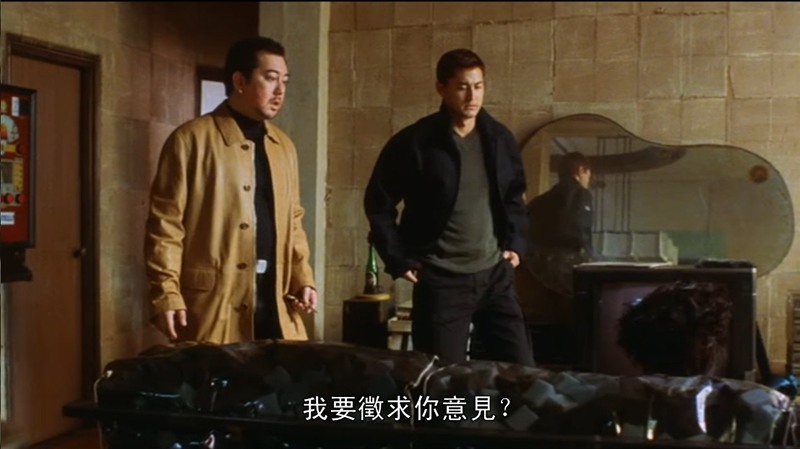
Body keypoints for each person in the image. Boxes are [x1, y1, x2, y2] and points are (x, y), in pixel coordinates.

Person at [363, 48, 534, 366]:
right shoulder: (415, 142)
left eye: (478, 86)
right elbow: (378, 202)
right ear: (441, 88)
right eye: (462, 87)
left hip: (495, 275)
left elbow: (514, 195)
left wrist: (516, 243)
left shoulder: (499, 138)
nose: (472, 96)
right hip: (441, 280)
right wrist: (398, 258)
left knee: (522, 372)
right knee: (441, 378)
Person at [144, 36, 317, 344]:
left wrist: (303, 278)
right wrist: (166, 293)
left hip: (276, 303)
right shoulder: (190, 140)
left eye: (285, 81)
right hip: (213, 304)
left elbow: (294, 221)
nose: (280, 90)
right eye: (271, 78)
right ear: (239, 81)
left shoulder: (284, 147)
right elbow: (165, 226)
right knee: (216, 374)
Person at [527, 151, 594, 297]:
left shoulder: (540, 201)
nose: (588, 180)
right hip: (568, 263)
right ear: (581, 170)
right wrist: (589, 258)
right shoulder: (580, 194)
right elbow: (581, 231)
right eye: (588, 174)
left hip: (540, 265)